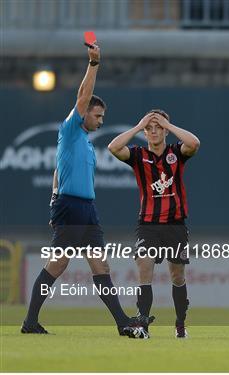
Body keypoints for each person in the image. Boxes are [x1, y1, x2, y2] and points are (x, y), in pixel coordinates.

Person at [21, 41, 137, 337]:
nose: (101, 120)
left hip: (86, 209)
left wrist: (52, 197)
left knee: (101, 266)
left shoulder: (83, 141)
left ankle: (123, 323)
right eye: (97, 116)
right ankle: (30, 322)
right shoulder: (71, 128)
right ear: (84, 113)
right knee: (57, 265)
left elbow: (59, 169)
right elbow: (83, 95)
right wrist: (94, 64)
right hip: (71, 206)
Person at [108, 109, 200, 339]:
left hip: (175, 224)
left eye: (159, 127)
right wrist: (139, 126)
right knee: (144, 270)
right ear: (145, 132)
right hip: (148, 224)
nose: (154, 131)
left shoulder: (176, 153)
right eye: (150, 128)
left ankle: (180, 323)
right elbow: (113, 148)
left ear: (166, 130)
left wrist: (168, 124)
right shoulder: (139, 156)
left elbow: (194, 143)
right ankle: (142, 326)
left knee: (177, 276)